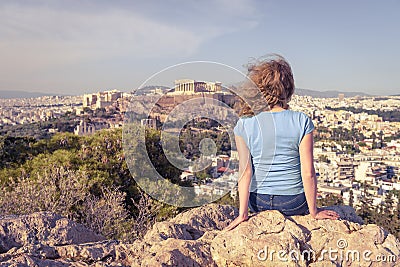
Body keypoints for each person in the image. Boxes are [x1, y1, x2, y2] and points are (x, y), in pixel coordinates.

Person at [226, 55, 339, 231]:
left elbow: (245, 172)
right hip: (293, 203)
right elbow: (308, 172)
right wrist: (314, 211)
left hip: (258, 202)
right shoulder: (301, 121)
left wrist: (242, 214)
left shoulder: (244, 124)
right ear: (288, 88)